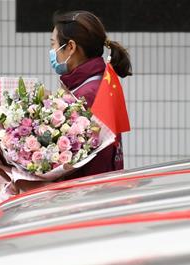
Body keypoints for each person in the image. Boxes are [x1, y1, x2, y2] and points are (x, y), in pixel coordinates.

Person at [49, 11, 132, 177]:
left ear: (70, 47)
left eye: (54, 44)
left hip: (88, 190)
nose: (52, 50)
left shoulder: (86, 96)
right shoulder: (100, 84)